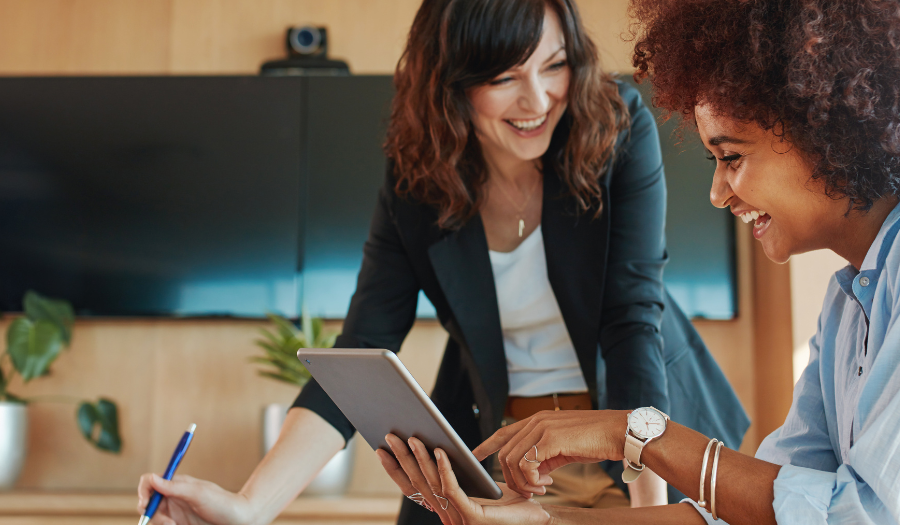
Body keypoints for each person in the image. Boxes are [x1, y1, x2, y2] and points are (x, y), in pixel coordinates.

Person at [136, 1, 748, 524]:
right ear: (452, 81)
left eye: (555, 64)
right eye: (506, 76)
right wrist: (249, 507)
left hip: (638, 433)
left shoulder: (616, 127)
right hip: (505, 452)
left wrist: (649, 513)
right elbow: (361, 348)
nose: (539, 99)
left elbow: (629, 321)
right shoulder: (418, 178)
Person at [376, 0, 900, 524]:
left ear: (827, 130)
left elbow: (860, 515)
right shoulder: (847, 306)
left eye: (731, 157)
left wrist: (635, 432)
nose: (717, 194)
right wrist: (536, 523)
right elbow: (760, 514)